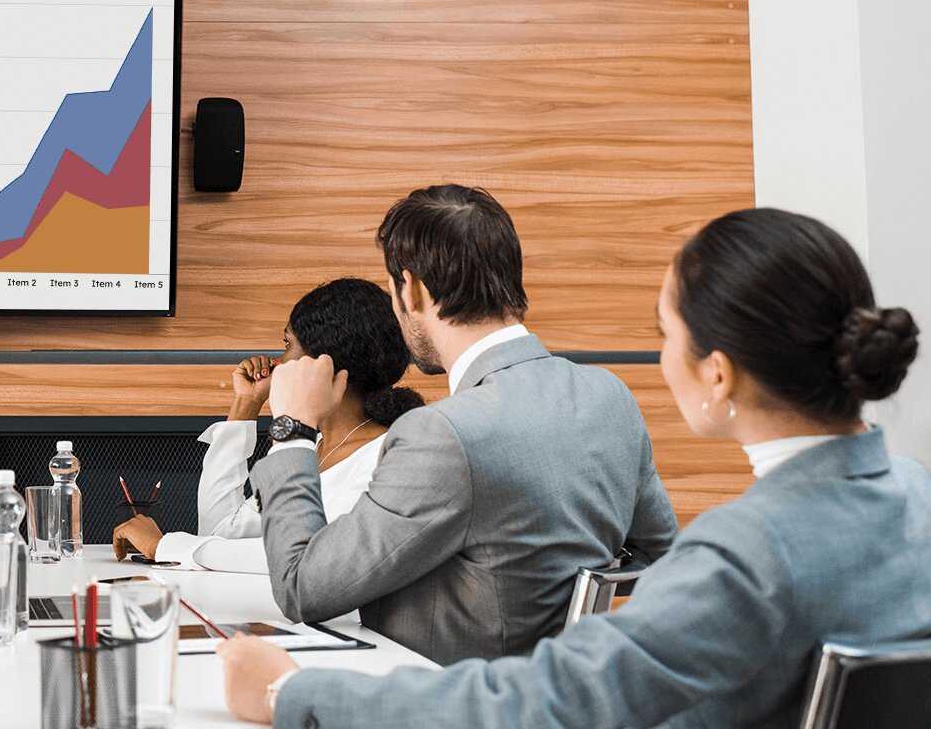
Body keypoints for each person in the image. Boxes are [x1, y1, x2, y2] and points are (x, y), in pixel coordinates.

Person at [222, 207, 931, 727]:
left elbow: (539, 706)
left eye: (663, 334)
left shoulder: (746, 555)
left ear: (720, 375)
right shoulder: (922, 496)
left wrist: (295, 694)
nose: (661, 359)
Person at [251, 185, 678, 665]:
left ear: (410, 289)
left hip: (442, 698)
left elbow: (301, 587)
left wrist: (293, 429)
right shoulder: (609, 395)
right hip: (564, 689)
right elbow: (663, 556)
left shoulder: (443, 433)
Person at [110, 278, 421, 573]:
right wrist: (246, 405)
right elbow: (221, 531)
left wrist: (165, 546)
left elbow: (302, 557)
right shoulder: (309, 446)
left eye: (287, 345)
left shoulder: (384, 458)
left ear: (322, 364)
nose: (278, 362)